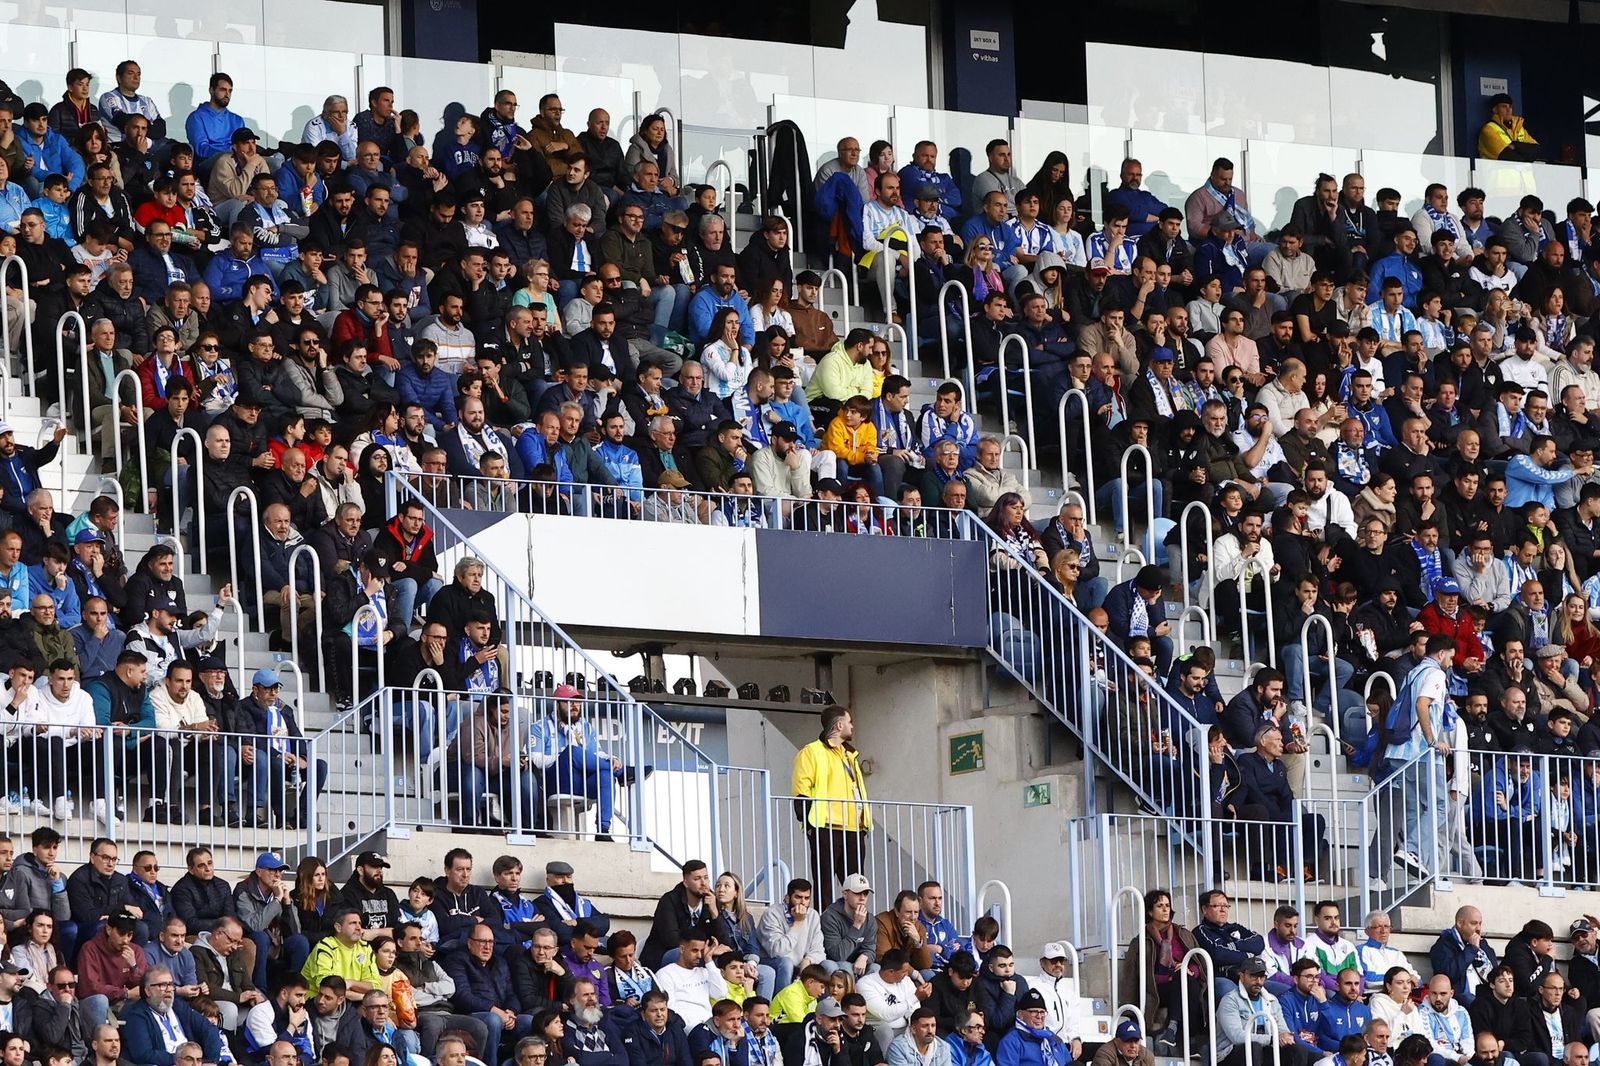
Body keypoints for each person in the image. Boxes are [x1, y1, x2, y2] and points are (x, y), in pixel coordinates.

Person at [791, 706, 870, 909]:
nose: (852, 726)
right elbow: (802, 790)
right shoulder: (811, 752)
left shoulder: (849, 755)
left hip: (854, 829)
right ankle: (824, 929)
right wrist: (808, 823)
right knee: (824, 883)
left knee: (856, 885)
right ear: (839, 725)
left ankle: (855, 926)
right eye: (849, 722)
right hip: (825, 827)